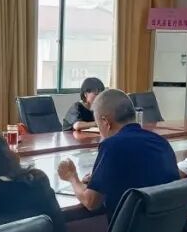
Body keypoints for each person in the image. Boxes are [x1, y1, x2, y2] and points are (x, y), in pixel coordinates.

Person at [57, 89, 179, 218]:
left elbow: (91, 202)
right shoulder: (161, 143)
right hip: (168, 228)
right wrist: (99, 178)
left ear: (105, 122)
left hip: (130, 229)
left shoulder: (112, 146)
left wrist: (72, 177)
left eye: (98, 125)